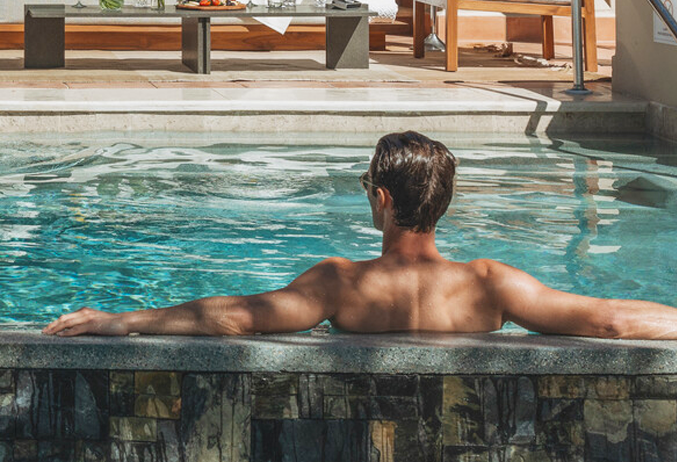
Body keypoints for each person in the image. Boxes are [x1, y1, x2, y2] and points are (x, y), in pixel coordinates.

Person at [44, 130, 677, 340]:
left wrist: (121, 319)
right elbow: (610, 320)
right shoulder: (490, 284)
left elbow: (237, 316)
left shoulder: (341, 283)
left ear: (381, 199)